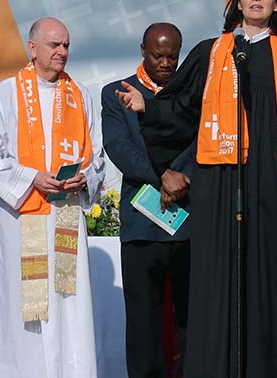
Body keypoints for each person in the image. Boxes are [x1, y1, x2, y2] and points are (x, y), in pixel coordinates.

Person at [116, 0, 277, 378]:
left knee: (268, 278)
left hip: (273, 183)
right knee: (218, 280)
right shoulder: (212, 51)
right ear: (238, 3)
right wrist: (148, 108)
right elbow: (181, 108)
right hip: (220, 183)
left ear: (276, 6)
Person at [0, 17, 105, 378]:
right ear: (33, 49)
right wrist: (31, 178)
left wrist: (83, 178)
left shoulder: (80, 96)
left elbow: (98, 158)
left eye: (65, 45)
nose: (62, 52)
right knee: (21, 307)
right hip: (21, 221)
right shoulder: (8, 92)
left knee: (67, 305)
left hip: (64, 218)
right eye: (54, 45)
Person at [102, 22, 194, 378]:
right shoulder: (115, 94)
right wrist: (162, 176)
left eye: (173, 56)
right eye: (158, 55)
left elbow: (199, 144)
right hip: (141, 225)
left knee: (190, 319)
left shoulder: (191, 94)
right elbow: (118, 147)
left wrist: (180, 178)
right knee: (143, 323)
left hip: (187, 218)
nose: (167, 63)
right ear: (143, 49)